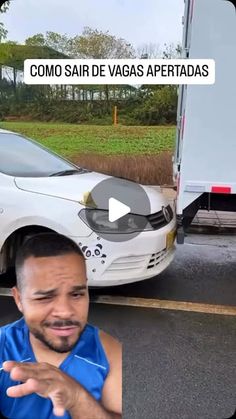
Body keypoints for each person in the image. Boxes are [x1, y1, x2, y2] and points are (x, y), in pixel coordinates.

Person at [0, 233, 122, 419]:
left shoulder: (111, 353)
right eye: (45, 297)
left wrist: (77, 399)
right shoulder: (2, 348)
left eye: (76, 295)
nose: (65, 312)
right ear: (19, 299)